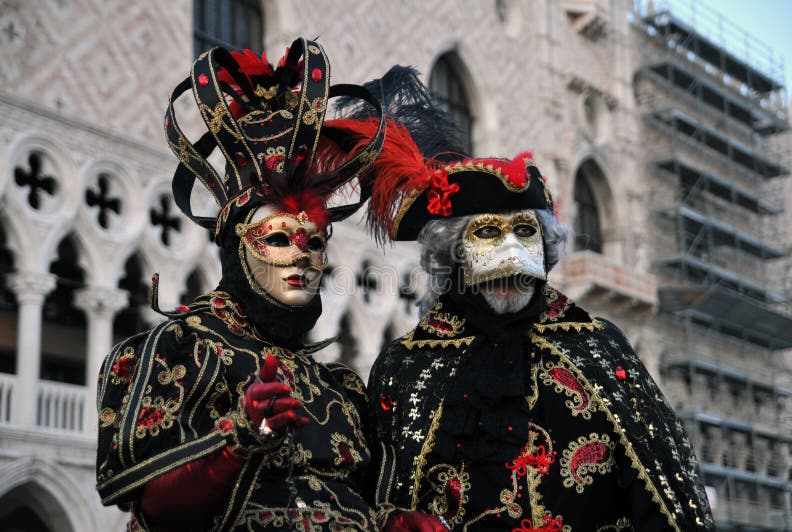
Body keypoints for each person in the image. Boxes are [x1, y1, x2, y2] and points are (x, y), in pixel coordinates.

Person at [360, 84, 715, 530]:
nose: (513, 252)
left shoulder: (600, 348)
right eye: (488, 233)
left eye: (526, 232)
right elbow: (375, 500)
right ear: (453, 253)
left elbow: (669, 502)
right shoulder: (405, 366)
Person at [95, 38, 387, 531]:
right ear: (239, 248)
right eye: (278, 237)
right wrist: (241, 436)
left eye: (316, 243)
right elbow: (157, 507)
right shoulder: (182, 349)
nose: (303, 255)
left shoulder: (340, 387)